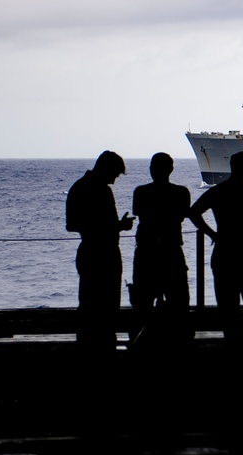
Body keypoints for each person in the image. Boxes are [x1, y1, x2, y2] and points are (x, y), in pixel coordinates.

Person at [188, 151, 243, 344]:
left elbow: (193, 213)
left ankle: (234, 348)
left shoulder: (217, 191)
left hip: (224, 252)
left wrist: (213, 234)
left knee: (228, 308)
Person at [66, 150, 134, 350]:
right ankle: (103, 347)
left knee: (89, 303)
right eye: (114, 174)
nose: (114, 180)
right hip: (104, 253)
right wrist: (118, 226)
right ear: (106, 169)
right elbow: (81, 225)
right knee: (106, 305)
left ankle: (89, 346)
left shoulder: (78, 188)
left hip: (90, 252)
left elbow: (72, 224)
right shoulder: (101, 191)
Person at [130, 152, 192, 346]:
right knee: (178, 302)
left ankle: (140, 341)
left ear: (151, 169)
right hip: (172, 250)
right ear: (171, 170)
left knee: (143, 304)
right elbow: (182, 215)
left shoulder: (141, 192)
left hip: (146, 252)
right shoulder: (181, 192)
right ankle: (179, 341)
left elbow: (139, 212)